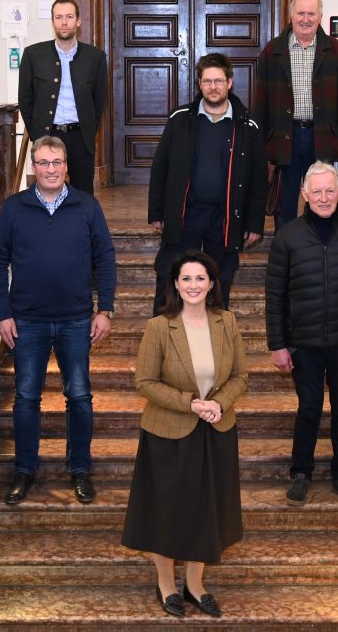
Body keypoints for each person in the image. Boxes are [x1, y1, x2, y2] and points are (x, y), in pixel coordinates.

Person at [0, 136, 116, 505]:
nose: (51, 169)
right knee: (26, 398)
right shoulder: (14, 208)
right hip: (27, 322)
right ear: (33, 167)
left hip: (76, 320)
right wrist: (3, 314)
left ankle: (80, 469)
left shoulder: (87, 206)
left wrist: (105, 309)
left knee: (79, 397)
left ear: (66, 166)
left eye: (57, 162)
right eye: (43, 162)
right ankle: (24, 471)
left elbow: (105, 258)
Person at [122, 249, 247, 618]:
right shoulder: (159, 327)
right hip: (168, 434)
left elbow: (240, 375)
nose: (194, 285)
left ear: (211, 284)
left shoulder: (227, 321)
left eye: (200, 278)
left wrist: (219, 403)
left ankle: (195, 584)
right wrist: (190, 404)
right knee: (167, 510)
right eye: (186, 278)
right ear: (175, 284)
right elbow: (144, 382)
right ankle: (165, 583)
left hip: (216, 429)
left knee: (206, 510)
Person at [265, 161, 338, 507]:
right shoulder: (287, 236)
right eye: (316, 191)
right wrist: (278, 345)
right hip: (304, 344)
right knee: (309, 409)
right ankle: (301, 472)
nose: (324, 197)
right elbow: (275, 296)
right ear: (304, 194)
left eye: (330, 190)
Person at [149, 52, 268, 315]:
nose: (213, 87)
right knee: (169, 272)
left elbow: (259, 179)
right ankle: (162, 332)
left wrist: (254, 223)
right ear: (200, 84)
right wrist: (157, 212)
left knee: (220, 278)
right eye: (207, 81)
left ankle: (215, 333)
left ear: (229, 83)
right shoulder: (180, 118)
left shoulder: (248, 125)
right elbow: (160, 167)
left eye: (218, 81)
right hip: (185, 213)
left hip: (225, 217)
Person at [254, 0, 338, 230]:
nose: (306, 19)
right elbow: (261, 100)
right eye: (301, 13)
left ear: (320, 16)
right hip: (284, 137)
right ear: (291, 15)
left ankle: (321, 243)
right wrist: (259, 141)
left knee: (322, 196)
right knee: (284, 202)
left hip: (322, 136)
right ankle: (286, 246)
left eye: (311, 14)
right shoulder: (272, 51)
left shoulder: (337, 51)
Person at [18, 0, 108, 194]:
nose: (64, 22)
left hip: (80, 138)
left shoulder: (95, 57)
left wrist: (88, 131)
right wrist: (37, 135)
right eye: (59, 17)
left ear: (78, 21)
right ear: (52, 22)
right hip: (47, 135)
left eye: (69, 17)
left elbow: (99, 101)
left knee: (83, 194)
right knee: (46, 191)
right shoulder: (33, 55)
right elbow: (25, 100)